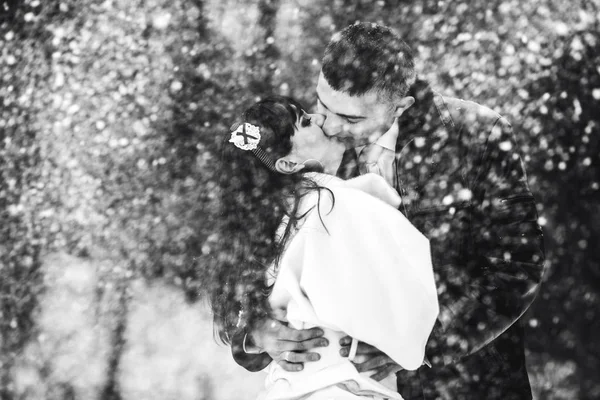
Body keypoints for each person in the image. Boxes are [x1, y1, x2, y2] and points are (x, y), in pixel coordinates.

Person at [230, 22, 545, 400]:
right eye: (322, 105)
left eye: (350, 119)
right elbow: (247, 249)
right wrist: (254, 330)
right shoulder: (305, 145)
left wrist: (422, 343)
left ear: (401, 106)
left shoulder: (479, 136)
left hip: (468, 387)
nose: (329, 125)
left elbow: (518, 266)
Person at [208, 95, 439, 399]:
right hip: (344, 385)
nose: (320, 118)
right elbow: (407, 292)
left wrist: (427, 347)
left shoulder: (269, 218)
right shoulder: (329, 201)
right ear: (288, 163)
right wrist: (256, 333)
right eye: (306, 119)